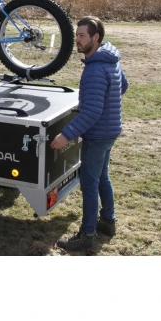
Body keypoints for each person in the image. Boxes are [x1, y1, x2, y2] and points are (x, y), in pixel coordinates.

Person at [50, 16, 128, 251]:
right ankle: (108, 222)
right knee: (102, 176)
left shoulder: (95, 69)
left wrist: (66, 134)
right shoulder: (110, 59)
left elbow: (92, 112)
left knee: (89, 183)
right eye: (77, 35)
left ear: (96, 37)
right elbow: (122, 85)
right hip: (110, 130)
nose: (78, 40)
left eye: (82, 36)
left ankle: (87, 234)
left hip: (98, 134)